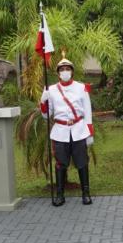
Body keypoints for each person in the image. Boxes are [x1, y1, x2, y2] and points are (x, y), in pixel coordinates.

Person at [40, 51, 94, 206]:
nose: (65, 72)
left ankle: (86, 193)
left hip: (78, 129)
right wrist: (43, 102)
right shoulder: (51, 90)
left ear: (72, 71)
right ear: (58, 73)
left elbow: (88, 111)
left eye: (67, 69)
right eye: (62, 70)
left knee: (82, 162)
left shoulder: (81, 88)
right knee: (60, 163)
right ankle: (60, 194)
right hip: (60, 131)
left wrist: (90, 133)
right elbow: (46, 116)